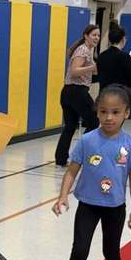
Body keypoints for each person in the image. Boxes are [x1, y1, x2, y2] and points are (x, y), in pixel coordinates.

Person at [50, 84, 131, 260]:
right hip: (88, 205)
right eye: (103, 112)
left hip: (114, 207)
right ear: (96, 112)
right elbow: (72, 171)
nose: (108, 117)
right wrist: (63, 195)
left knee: (110, 251)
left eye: (115, 112)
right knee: (79, 250)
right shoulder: (87, 140)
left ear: (126, 113)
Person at [54, 23, 100, 167]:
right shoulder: (83, 50)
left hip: (68, 92)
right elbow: (74, 71)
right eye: (94, 35)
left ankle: (61, 159)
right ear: (86, 36)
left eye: (98, 35)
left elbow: (87, 73)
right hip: (76, 92)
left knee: (70, 126)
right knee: (94, 121)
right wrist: (92, 67)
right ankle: (81, 155)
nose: (97, 38)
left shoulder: (89, 51)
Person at [96, 21, 131, 92]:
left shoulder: (101, 56)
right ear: (123, 39)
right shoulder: (124, 56)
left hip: (105, 96)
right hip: (121, 97)